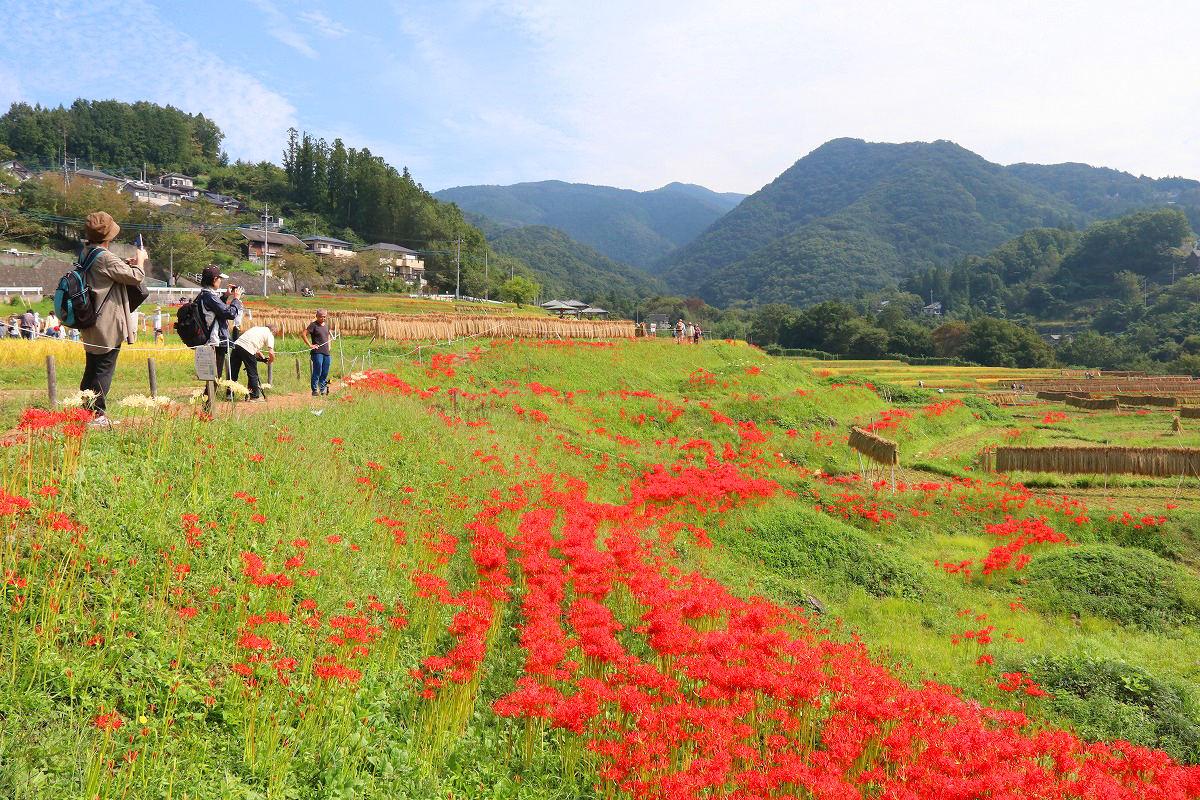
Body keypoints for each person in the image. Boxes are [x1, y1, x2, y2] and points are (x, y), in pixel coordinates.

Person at [78, 211, 146, 425]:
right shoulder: (105, 256)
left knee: (92, 366)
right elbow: (137, 277)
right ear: (108, 236)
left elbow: (107, 274)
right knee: (104, 368)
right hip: (106, 322)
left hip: (89, 319)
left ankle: (85, 411)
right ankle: (98, 415)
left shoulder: (86, 252)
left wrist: (124, 264)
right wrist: (140, 261)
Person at [198, 266, 242, 380]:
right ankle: (209, 396)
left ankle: (209, 396)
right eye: (220, 278)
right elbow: (230, 313)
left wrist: (226, 296)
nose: (221, 281)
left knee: (213, 373)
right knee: (216, 374)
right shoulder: (210, 296)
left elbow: (216, 311)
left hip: (210, 337)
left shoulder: (204, 294)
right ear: (214, 279)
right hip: (216, 338)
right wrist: (236, 299)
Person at [229, 324, 277, 402]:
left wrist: (259, 353)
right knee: (253, 373)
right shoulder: (269, 334)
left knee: (233, 372)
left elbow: (249, 340)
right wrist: (271, 361)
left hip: (237, 345)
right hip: (248, 349)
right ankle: (254, 396)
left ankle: (229, 395)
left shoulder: (256, 328)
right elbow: (271, 352)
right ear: (273, 331)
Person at [301, 308, 332, 396]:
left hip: (326, 352)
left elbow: (328, 335)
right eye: (321, 317)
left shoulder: (326, 325)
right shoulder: (313, 325)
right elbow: (303, 334)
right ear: (317, 316)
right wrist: (310, 345)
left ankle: (322, 389)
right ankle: (314, 390)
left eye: (325, 317)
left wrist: (329, 345)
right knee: (317, 371)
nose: (323, 318)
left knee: (325, 372)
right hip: (317, 352)